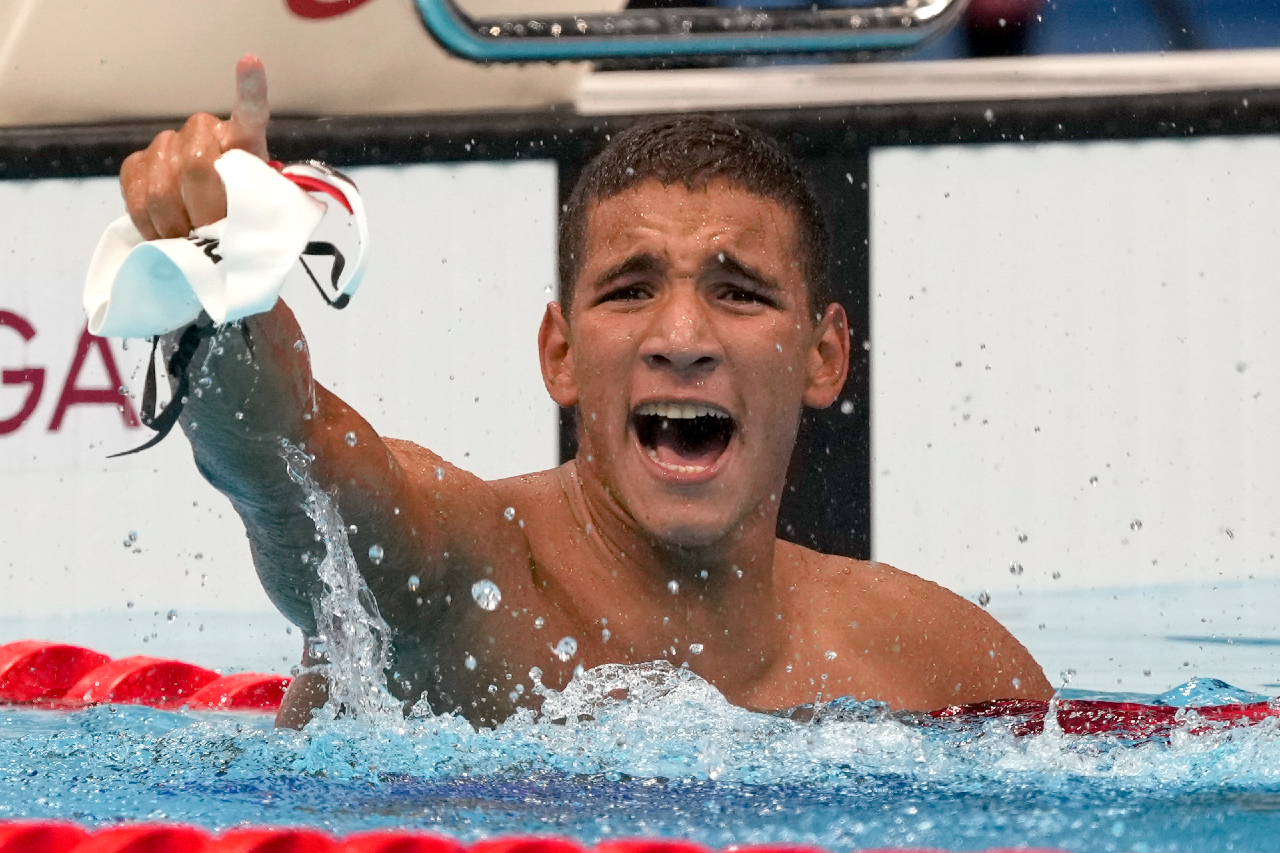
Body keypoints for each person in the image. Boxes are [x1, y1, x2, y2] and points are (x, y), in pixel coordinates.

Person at [117, 56, 1051, 728]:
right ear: (560, 353)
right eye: (630, 289)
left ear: (824, 356)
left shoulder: (944, 665)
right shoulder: (465, 583)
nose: (681, 339)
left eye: (738, 292)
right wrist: (218, 289)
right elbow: (288, 467)